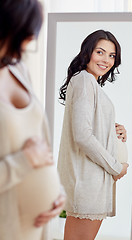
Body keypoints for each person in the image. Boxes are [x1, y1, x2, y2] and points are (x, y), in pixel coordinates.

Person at [0, 1, 65, 240]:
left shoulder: (18, 68)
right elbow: (29, 155)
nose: (31, 39)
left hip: (39, 228)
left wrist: (57, 192)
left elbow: (38, 140)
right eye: (27, 31)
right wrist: (23, 162)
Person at [58, 29, 129, 240]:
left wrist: (115, 130)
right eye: (100, 52)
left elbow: (88, 127)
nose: (106, 60)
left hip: (93, 182)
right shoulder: (84, 80)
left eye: (111, 55)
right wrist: (116, 168)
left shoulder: (89, 83)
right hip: (88, 183)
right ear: (87, 53)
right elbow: (82, 136)